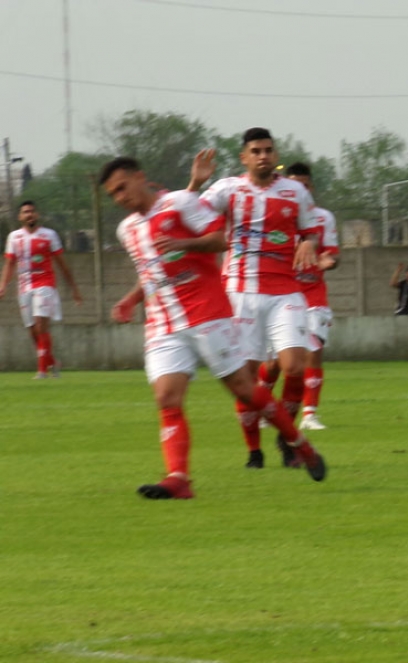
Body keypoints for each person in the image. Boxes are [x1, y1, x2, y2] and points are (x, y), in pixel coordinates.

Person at [99, 156, 326, 499]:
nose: (120, 197)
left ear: (139, 178)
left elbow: (220, 240)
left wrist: (183, 244)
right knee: (166, 397)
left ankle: (299, 443)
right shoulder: (126, 229)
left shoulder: (180, 203)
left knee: (244, 389)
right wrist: (132, 299)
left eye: (122, 187)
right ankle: (179, 479)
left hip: (206, 312)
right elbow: (151, 273)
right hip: (163, 323)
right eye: (113, 194)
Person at [188, 128, 322, 468]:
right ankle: (254, 451)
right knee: (245, 378)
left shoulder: (295, 192)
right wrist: (195, 186)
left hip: (284, 292)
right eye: (256, 151)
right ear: (244, 157)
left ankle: (286, 436)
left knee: (294, 366)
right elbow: (188, 216)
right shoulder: (227, 189)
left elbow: (311, 230)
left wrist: (308, 242)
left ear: (275, 155)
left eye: (268, 150)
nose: (263, 156)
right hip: (240, 292)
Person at [256, 162, 340, 432]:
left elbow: (333, 255)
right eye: (295, 185)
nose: (299, 189)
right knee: (273, 364)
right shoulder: (273, 214)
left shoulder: (323, 218)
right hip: (281, 297)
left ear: (310, 188)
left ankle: (310, 414)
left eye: (304, 185)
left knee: (313, 353)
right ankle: (263, 408)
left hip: (314, 297)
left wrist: (329, 262)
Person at [0, 201, 83, 379]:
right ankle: (52, 361)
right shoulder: (14, 237)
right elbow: (9, 264)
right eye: (25, 212)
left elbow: (62, 264)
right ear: (20, 217)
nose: (29, 214)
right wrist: (3, 285)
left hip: (44, 284)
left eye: (32, 211)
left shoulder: (49, 235)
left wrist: (74, 288)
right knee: (32, 331)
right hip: (24, 287)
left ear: (37, 215)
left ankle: (41, 371)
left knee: (40, 324)